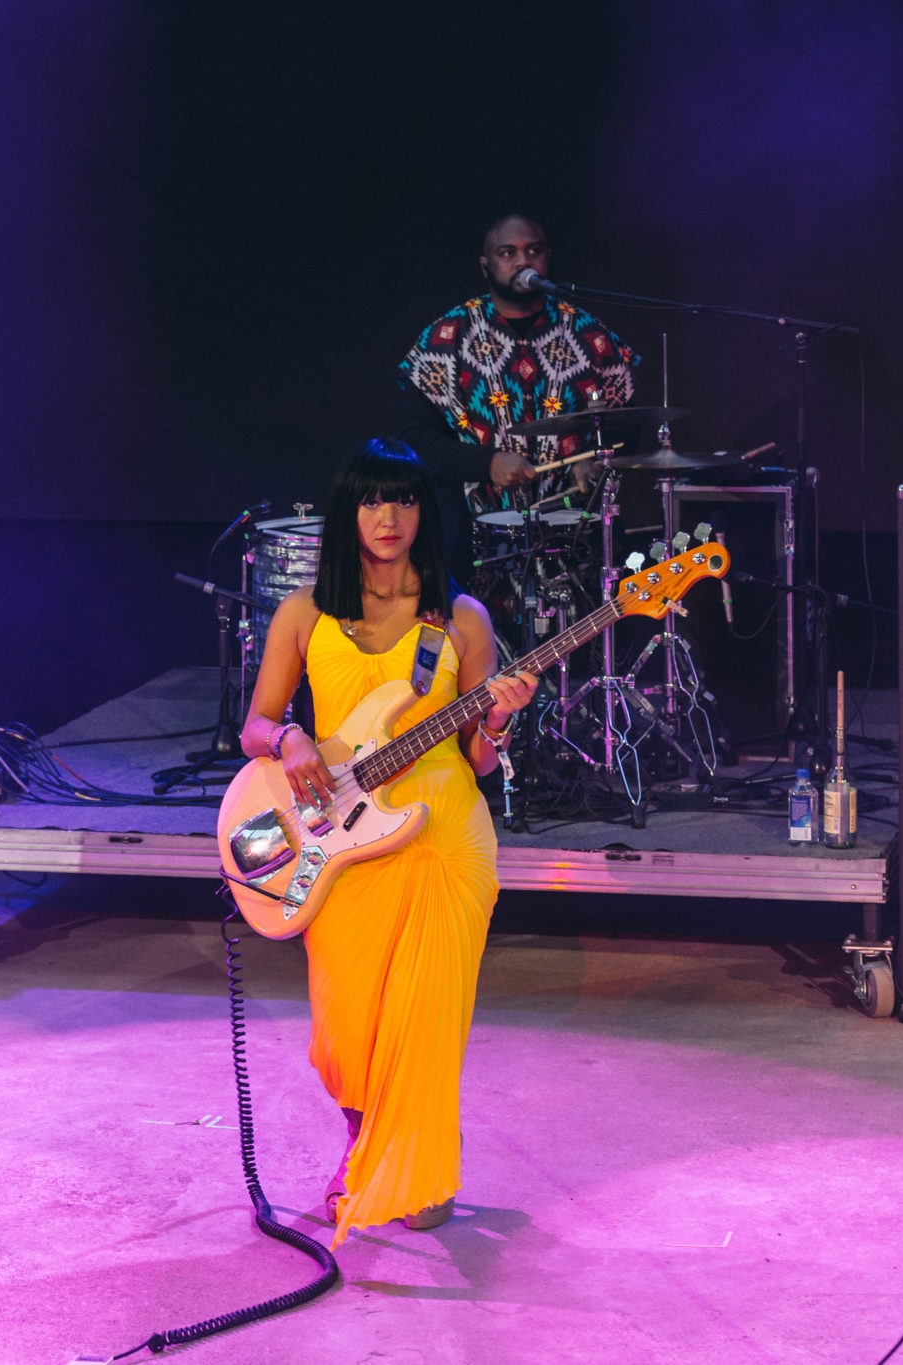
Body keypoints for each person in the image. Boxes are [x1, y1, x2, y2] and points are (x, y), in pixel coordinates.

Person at [239, 438, 536, 1245]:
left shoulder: (460, 619)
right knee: (345, 1030)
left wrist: (499, 719)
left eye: (404, 500)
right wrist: (291, 739)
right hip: (339, 837)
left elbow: (474, 752)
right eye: (373, 500)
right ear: (350, 513)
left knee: (424, 1014)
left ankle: (418, 1162)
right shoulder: (305, 613)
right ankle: (365, 1142)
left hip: (443, 834)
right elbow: (255, 722)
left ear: (422, 513)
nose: (389, 516)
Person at [397, 213, 640, 581]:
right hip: (471, 534)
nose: (523, 261)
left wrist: (597, 462)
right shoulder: (447, 337)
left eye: (534, 251)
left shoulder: (591, 335)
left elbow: (630, 423)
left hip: (576, 529)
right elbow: (415, 439)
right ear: (486, 266)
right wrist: (487, 462)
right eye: (507, 253)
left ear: (548, 258)